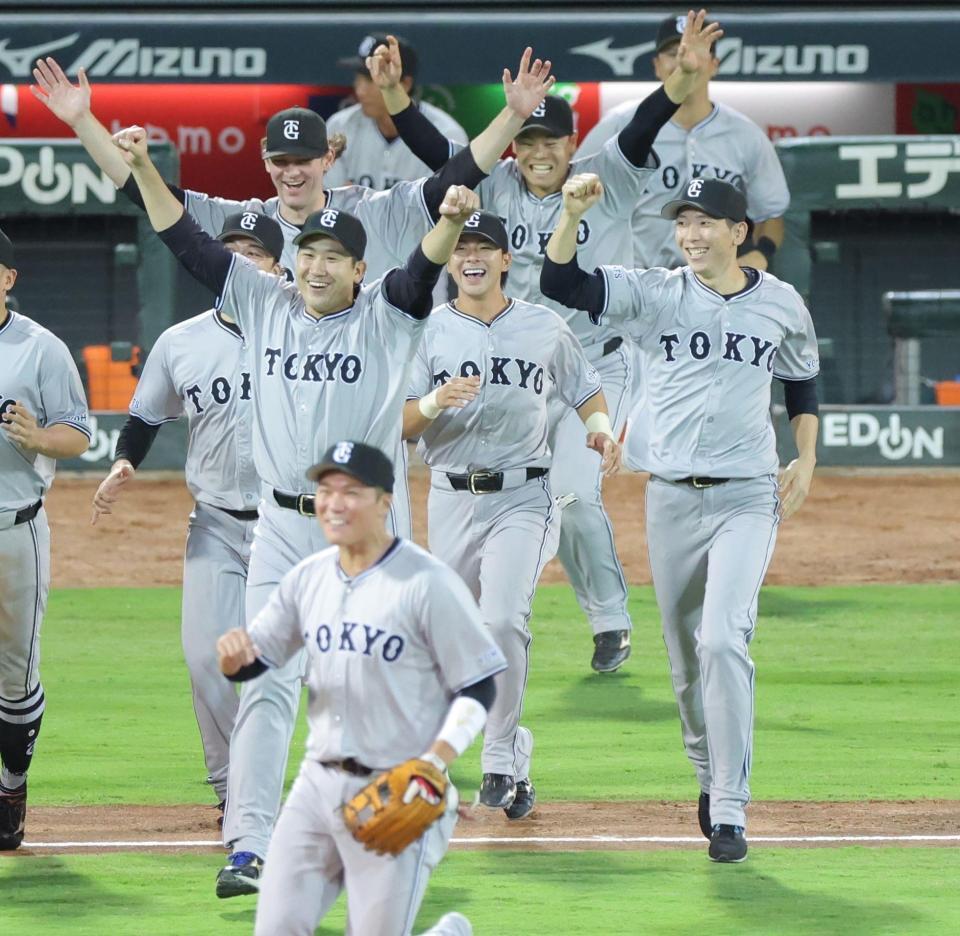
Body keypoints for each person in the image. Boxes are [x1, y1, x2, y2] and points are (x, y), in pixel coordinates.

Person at [114, 115, 492, 894]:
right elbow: (181, 237)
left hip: (365, 538)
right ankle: (248, 844)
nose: (315, 266)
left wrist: (451, 224)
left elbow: (420, 274)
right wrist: (147, 169)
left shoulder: (387, 315)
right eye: (307, 254)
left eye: (332, 257)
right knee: (266, 680)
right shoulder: (263, 302)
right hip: (281, 530)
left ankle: (412, 817)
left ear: (358, 268)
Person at [31, 45, 553, 550]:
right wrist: (82, 121)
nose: (293, 170)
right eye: (281, 159)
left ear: (328, 156)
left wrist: (511, 117)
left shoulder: (374, 211)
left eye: (304, 158)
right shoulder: (247, 224)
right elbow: (146, 195)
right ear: (265, 161)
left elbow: (456, 177)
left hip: (363, 409)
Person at [378, 12, 720, 673]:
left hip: (595, 366)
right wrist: (396, 99)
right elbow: (434, 155)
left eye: (551, 142)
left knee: (570, 491)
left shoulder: (605, 179)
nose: (539, 153)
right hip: (511, 373)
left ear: (572, 145)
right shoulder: (498, 184)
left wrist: (682, 75)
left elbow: (646, 123)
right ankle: (479, 620)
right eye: (528, 141)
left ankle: (610, 621)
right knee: (513, 492)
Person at [541, 173, 820, 862]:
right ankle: (707, 771)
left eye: (705, 223)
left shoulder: (781, 302)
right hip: (669, 498)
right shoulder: (656, 293)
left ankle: (730, 806)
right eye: (683, 222)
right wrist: (572, 214)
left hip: (748, 497)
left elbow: (803, 378)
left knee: (724, 640)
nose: (691, 234)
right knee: (686, 663)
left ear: (738, 233)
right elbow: (562, 284)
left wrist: (807, 457)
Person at [217, 440, 502, 936]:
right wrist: (236, 662)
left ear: (384, 501)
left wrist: (435, 761)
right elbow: (259, 656)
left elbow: (478, 686)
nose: (333, 503)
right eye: (326, 490)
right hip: (315, 788)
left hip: (397, 786)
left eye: (350, 491)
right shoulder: (307, 578)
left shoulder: (426, 583)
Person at [402, 211, 621, 819]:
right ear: (450, 259)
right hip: (449, 498)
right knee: (451, 641)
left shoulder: (543, 328)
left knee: (501, 619)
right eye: (462, 246)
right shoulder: (425, 332)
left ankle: (497, 759)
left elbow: (585, 388)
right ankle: (518, 755)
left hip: (524, 496)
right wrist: (433, 400)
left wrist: (600, 432)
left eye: (484, 248)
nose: (471, 257)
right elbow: (395, 422)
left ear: (506, 260)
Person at [89, 212, 285, 824]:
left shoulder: (299, 332)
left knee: (287, 671)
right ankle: (232, 788)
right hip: (217, 525)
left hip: (289, 526)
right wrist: (124, 462)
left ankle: (283, 788)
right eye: (232, 251)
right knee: (206, 659)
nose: (242, 262)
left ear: (279, 268)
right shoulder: (182, 341)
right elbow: (146, 417)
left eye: (256, 252)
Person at [0, 227, 91, 849]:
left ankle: (11, 785)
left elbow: (78, 434)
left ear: (8, 277)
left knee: (14, 676)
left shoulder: (41, 349)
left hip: (14, 530)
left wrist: (37, 440)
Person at [575, 13, 790, 273]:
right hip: (636, 281)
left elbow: (771, 214)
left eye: (697, 50)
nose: (685, 59)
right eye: (674, 52)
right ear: (656, 65)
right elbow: (573, 191)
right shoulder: (620, 125)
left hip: (713, 286)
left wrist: (762, 253)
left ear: (714, 64)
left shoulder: (746, 135)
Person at [325, 33, 468, 190]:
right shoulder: (339, 126)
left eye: (370, 79)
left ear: (405, 83)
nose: (360, 90)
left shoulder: (447, 135)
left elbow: (445, 207)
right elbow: (331, 202)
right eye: (358, 78)